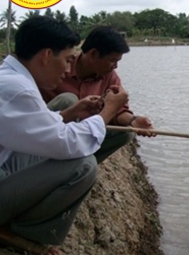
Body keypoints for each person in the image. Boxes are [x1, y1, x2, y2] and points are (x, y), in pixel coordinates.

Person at [0, 16, 129, 255]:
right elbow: (66, 143)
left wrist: (70, 113)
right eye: (68, 60)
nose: (69, 69)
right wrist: (108, 111)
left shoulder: (11, 79)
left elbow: (38, 127)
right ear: (47, 56)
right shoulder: (18, 90)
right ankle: (26, 233)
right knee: (82, 165)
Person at [40, 26, 155, 164]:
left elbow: (118, 111)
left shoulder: (110, 77)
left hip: (82, 134)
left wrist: (133, 120)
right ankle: (45, 161)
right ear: (93, 54)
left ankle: (76, 165)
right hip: (49, 135)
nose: (116, 66)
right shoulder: (60, 68)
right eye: (112, 60)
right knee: (68, 100)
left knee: (126, 133)